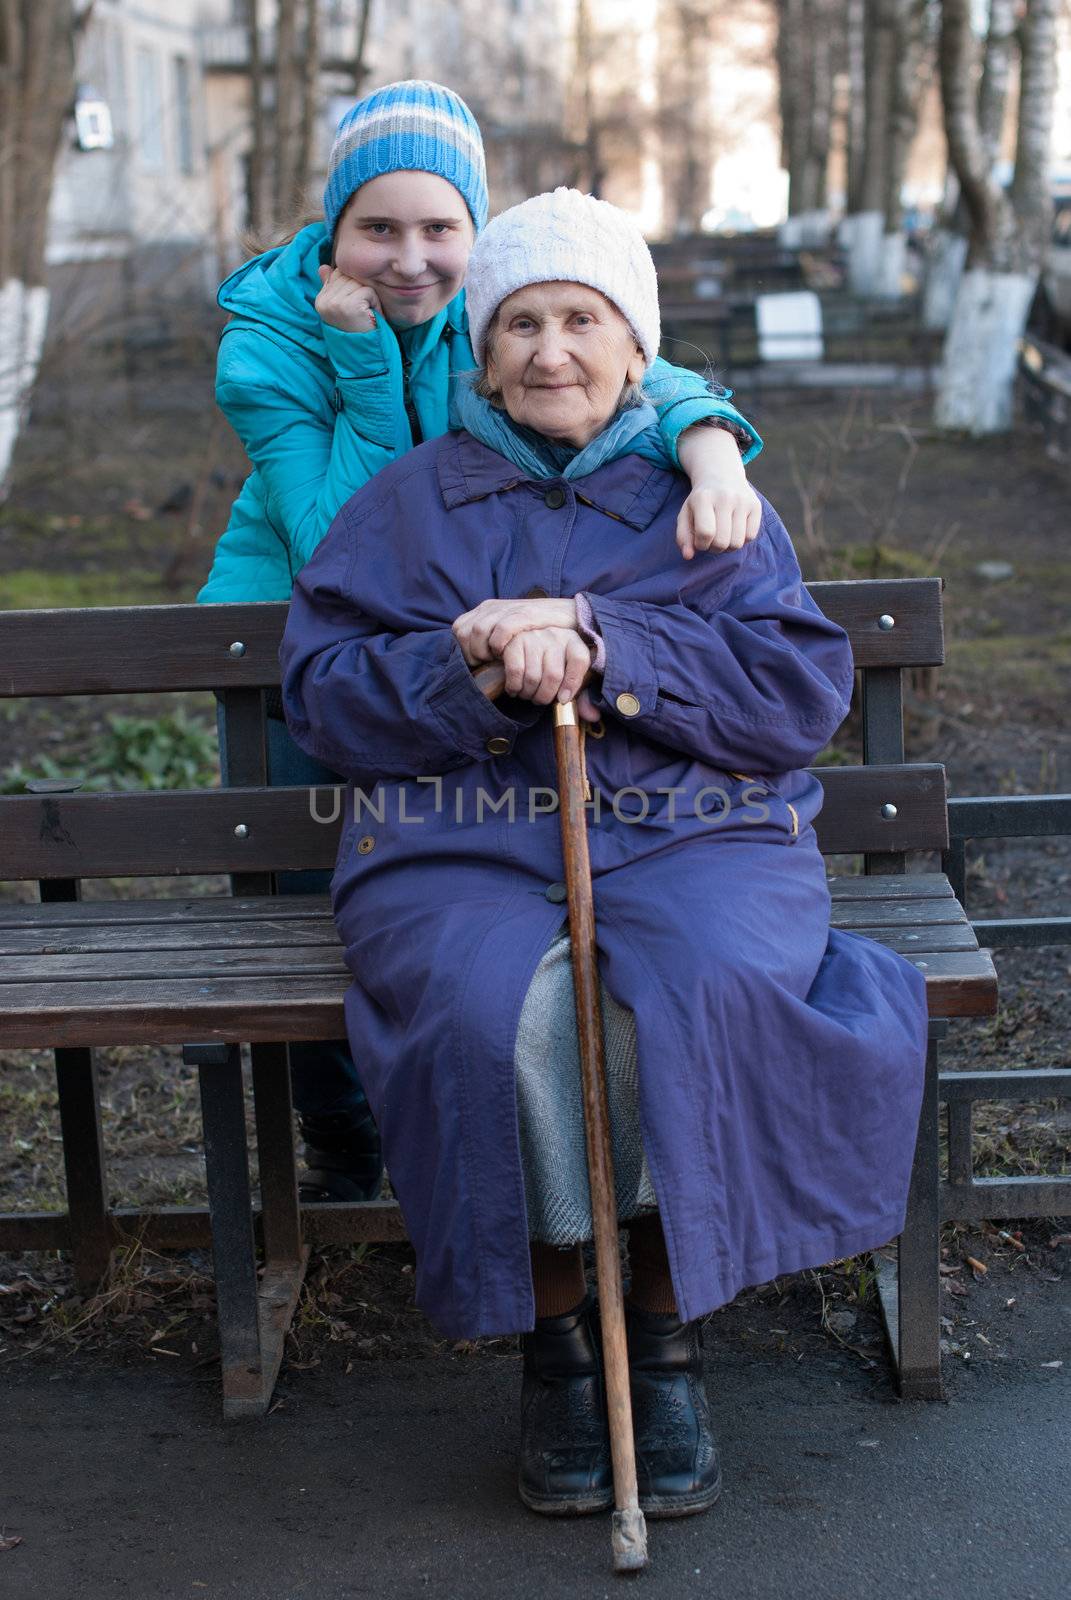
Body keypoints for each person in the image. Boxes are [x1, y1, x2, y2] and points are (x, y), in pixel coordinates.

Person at [279, 186, 930, 1520]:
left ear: (636, 349)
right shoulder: (412, 504)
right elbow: (328, 694)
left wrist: (603, 639)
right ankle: (555, 1333)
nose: (549, 350)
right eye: (518, 321)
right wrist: (465, 659)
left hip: (697, 837)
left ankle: (663, 1325)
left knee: (690, 996)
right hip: (458, 843)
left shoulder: (703, 497)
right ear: (480, 348)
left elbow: (794, 696)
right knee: (489, 1011)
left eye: (581, 318)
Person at [199, 81, 768, 1204]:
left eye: (439, 230)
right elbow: (344, 543)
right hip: (311, 636)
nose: (408, 259)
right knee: (317, 893)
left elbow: (628, 360)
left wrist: (714, 446)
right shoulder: (268, 352)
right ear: (332, 230)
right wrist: (358, 361)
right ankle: (344, 1136)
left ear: (477, 235)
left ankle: (478, 1147)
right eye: (378, 228)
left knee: (456, 883)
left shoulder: (504, 315)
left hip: (473, 634)